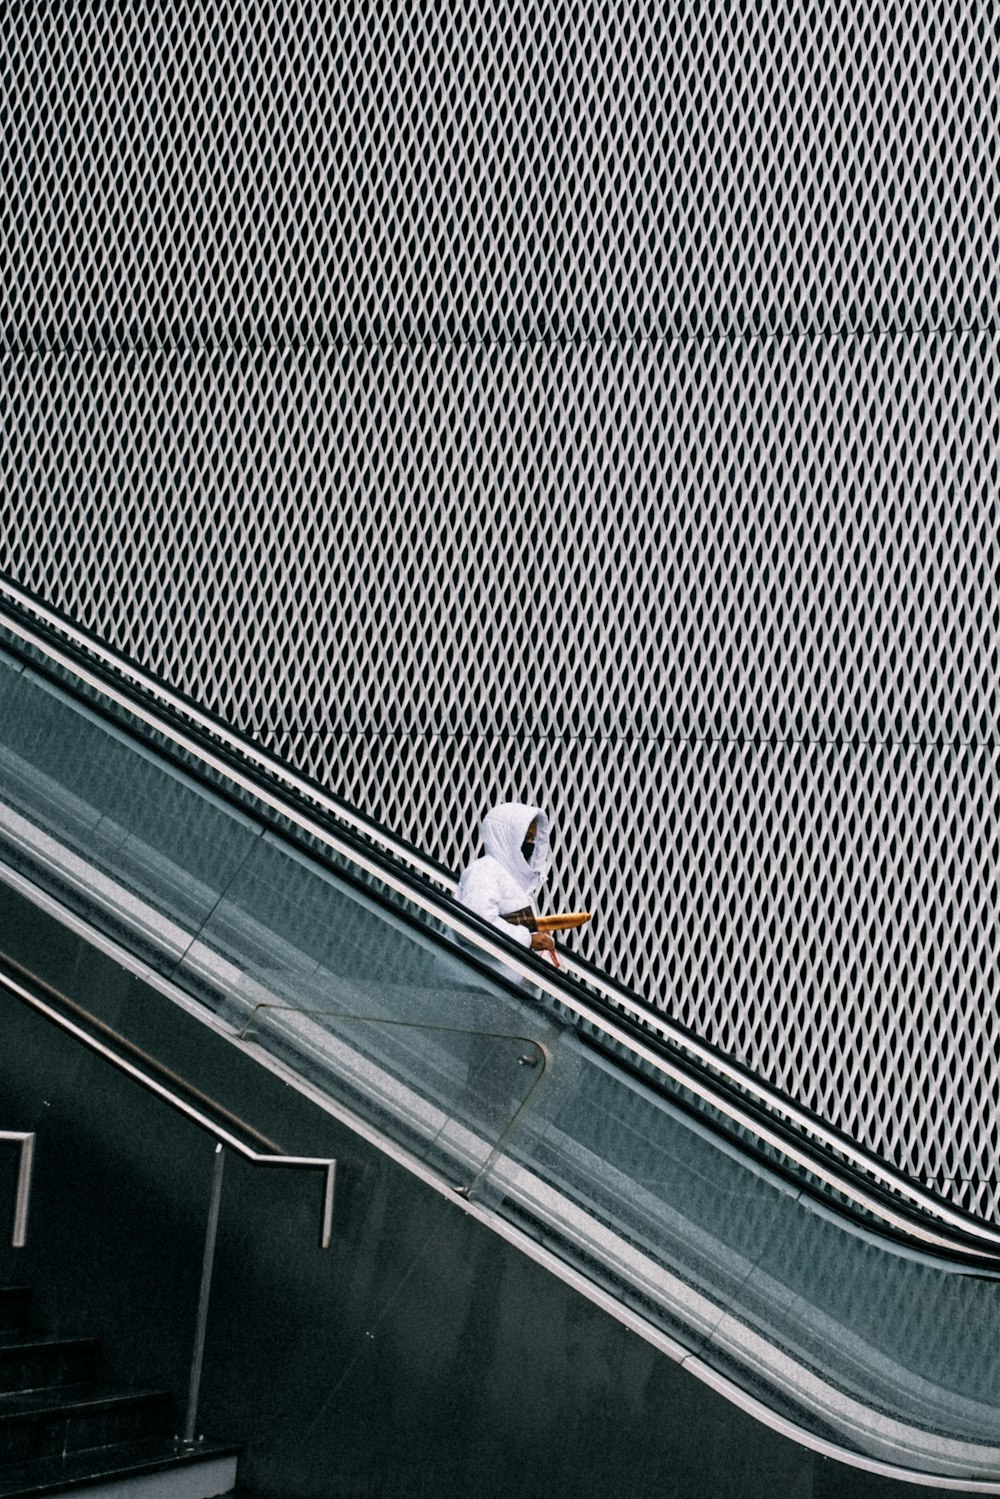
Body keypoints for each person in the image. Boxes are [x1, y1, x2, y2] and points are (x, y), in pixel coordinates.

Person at [456, 801, 556, 957]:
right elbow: (475, 925)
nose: (530, 844)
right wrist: (528, 940)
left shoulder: (515, 880)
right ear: (508, 836)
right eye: (526, 837)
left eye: (533, 839)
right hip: (473, 977)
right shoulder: (485, 871)